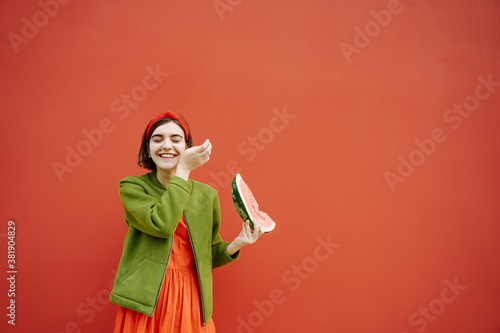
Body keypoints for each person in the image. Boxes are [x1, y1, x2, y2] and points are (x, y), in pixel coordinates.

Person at [109, 110, 265, 333]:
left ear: (187, 147)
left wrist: (237, 243)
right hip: (146, 301)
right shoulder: (132, 187)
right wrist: (183, 169)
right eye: (157, 139)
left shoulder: (207, 195)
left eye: (176, 139)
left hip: (190, 299)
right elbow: (161, 224)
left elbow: (206, 256)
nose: (166, 145)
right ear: (147, 148)